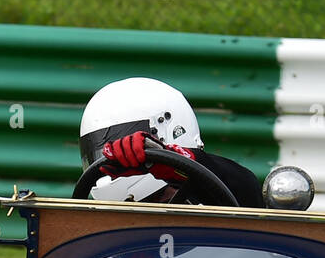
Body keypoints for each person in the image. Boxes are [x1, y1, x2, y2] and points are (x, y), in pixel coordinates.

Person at [78, 77, 265, 208]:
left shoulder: (210, 201)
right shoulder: (102, 227)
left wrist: (171, 159)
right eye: (103, 150)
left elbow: (246, 191)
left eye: (128, 142)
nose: (117, 154)